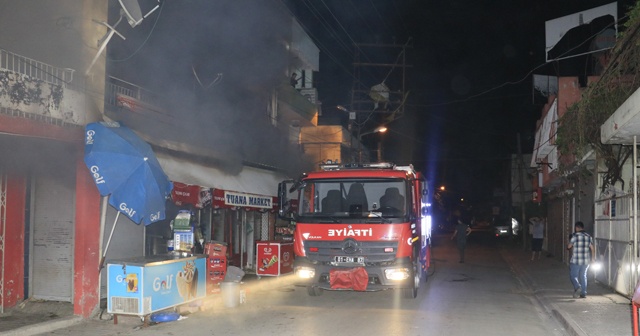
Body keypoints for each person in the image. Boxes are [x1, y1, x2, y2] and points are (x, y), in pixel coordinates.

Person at [567, 221, 595, 298]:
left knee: (573, 276)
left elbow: (569, 247)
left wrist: (570, 242)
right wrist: (593, 259)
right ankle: (583, 293)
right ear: (582, 227)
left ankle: (577, 287)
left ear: (576, 228)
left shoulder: (574, 236)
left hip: (576, 260)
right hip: (586, 261)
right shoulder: (589, 237)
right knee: (583, 276)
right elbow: (592, 248)